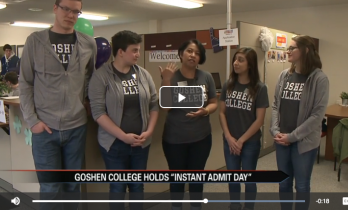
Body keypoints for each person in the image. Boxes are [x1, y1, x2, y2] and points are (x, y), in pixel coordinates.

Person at [18, 0, 96, 210]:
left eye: (76, 12)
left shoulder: (87, 43)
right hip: (45, 128)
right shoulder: (35, 41)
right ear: (55, 8)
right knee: (50, 189)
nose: (71, 15)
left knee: (73, 187)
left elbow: (91, 78)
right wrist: (32, 121)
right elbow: (25, 83)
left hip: (76, 127)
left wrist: (89, 104)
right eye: (66, 9)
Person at [88, 30, 159, 210]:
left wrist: (149, 131)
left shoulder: (143, 74)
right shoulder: (101, 76)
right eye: (134, 50)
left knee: (137, 185)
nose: (138, 54)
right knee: (118, 186)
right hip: (114, 144)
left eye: (138, 50)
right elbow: (98, 113)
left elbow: (154, 104)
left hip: (141, 143)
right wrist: (123, 136)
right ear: (120, 52)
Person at [270, 35, 329, 210]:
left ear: (306, 50)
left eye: (292, 48)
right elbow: (275, 105)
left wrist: (292, 137)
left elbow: (317, 115)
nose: (288, 51)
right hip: (282, 140)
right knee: (284, 183)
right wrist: (275, 130)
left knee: (301, 185)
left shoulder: (319, 79)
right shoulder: (284, 75)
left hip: (303, 142)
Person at [159, 39, 218, 210]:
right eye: (189, 51)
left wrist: (206, 111)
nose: (193, 55)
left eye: (197, 53)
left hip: (201, 138)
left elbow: (213, 102)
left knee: (196, 178)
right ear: (181, 54)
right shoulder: (171, 75)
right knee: (177, 180)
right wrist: (166, 80)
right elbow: (166, 106)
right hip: (174, 140)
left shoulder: (206, 77)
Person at [219, 47, 269, 210]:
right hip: (230, 140)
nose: (236, 63)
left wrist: (241, 140)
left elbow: (259, 119)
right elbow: (222, 113)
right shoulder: (228, 85)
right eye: (235, 59)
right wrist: (228, 137)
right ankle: (234, 205)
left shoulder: (260, 88)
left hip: (250, 142)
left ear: (250, 65)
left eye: (241, 60)